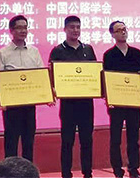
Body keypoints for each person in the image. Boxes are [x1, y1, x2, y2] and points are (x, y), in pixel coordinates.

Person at [49, 15, 97, 178]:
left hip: (86, 103)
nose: (75, 30)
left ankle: (87, 173)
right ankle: (66, 173)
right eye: (72, 27)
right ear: (65, 29)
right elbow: (52, 76)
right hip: (68, 104)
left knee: (87, 140)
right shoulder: (58, 50)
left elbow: (95, 74)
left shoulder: (88, 49)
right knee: (67, 141)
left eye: (78, 27)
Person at [0, 15, 44, 162]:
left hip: (29, 105)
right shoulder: (3, 53)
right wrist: (2, 100)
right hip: (12, 107)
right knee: (11, 143)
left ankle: (28, 172)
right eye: (19, 28)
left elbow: (41, 76)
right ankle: (9, 172)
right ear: (11, 30)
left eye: (25, 27)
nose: (23, 31)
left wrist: (46, 94)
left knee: (28, 142)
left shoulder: (34, 52)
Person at [103, 21, 140, 178]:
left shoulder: (136, 53)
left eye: (124, 29)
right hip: (117, 104)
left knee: (134, 138)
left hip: (134, 102)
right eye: (119, 30)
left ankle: (133, 168)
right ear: (112, 34)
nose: (123, 32)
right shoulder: (109, 55)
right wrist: (109, 99)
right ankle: (117, 170)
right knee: (115, 138)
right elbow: (107, 79)